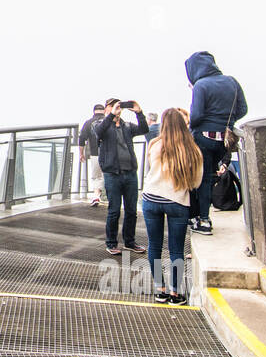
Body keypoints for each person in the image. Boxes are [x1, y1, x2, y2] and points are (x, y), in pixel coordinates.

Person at [142, 108, 203, 305]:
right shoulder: (192, 149)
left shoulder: (154, 144)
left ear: (163, 125)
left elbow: (151, 169)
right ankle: (175, 294)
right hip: (177, 201)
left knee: (155, 246)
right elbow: (197, 182)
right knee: (176, 250)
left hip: (151, 198)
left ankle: (160, 290)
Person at [184, 52, 247, 235]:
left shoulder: (201, 85)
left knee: (200, 179)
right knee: (210, 178)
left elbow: (195, 117)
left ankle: (203, 219)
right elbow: (243, 108)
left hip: (203, 138)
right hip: (224, 140)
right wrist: (226, 122)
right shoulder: (231, 81)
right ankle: (200, 216)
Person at [97, 98, 150, 255]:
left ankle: (130, 242)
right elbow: (97, 132)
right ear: (107, 109)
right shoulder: (103, 125)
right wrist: (110, 116)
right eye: (112, 106)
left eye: (118, 106)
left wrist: (139, 112)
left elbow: (144, 129)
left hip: (130, 174)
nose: (116, 108)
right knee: (114, 210)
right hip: (112, 174)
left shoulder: (127, 126)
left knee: (131, 210)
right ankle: (111, 243)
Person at [78, 103, 107, 206]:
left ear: (93, 111)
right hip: (110, 153)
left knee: (96, 177)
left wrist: (81, 154)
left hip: (95, 154)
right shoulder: (109, 121)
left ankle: (96, 196)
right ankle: (109, 197)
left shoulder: (88, 122)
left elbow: (81, 139)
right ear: (104, 111)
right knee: (109, 175)